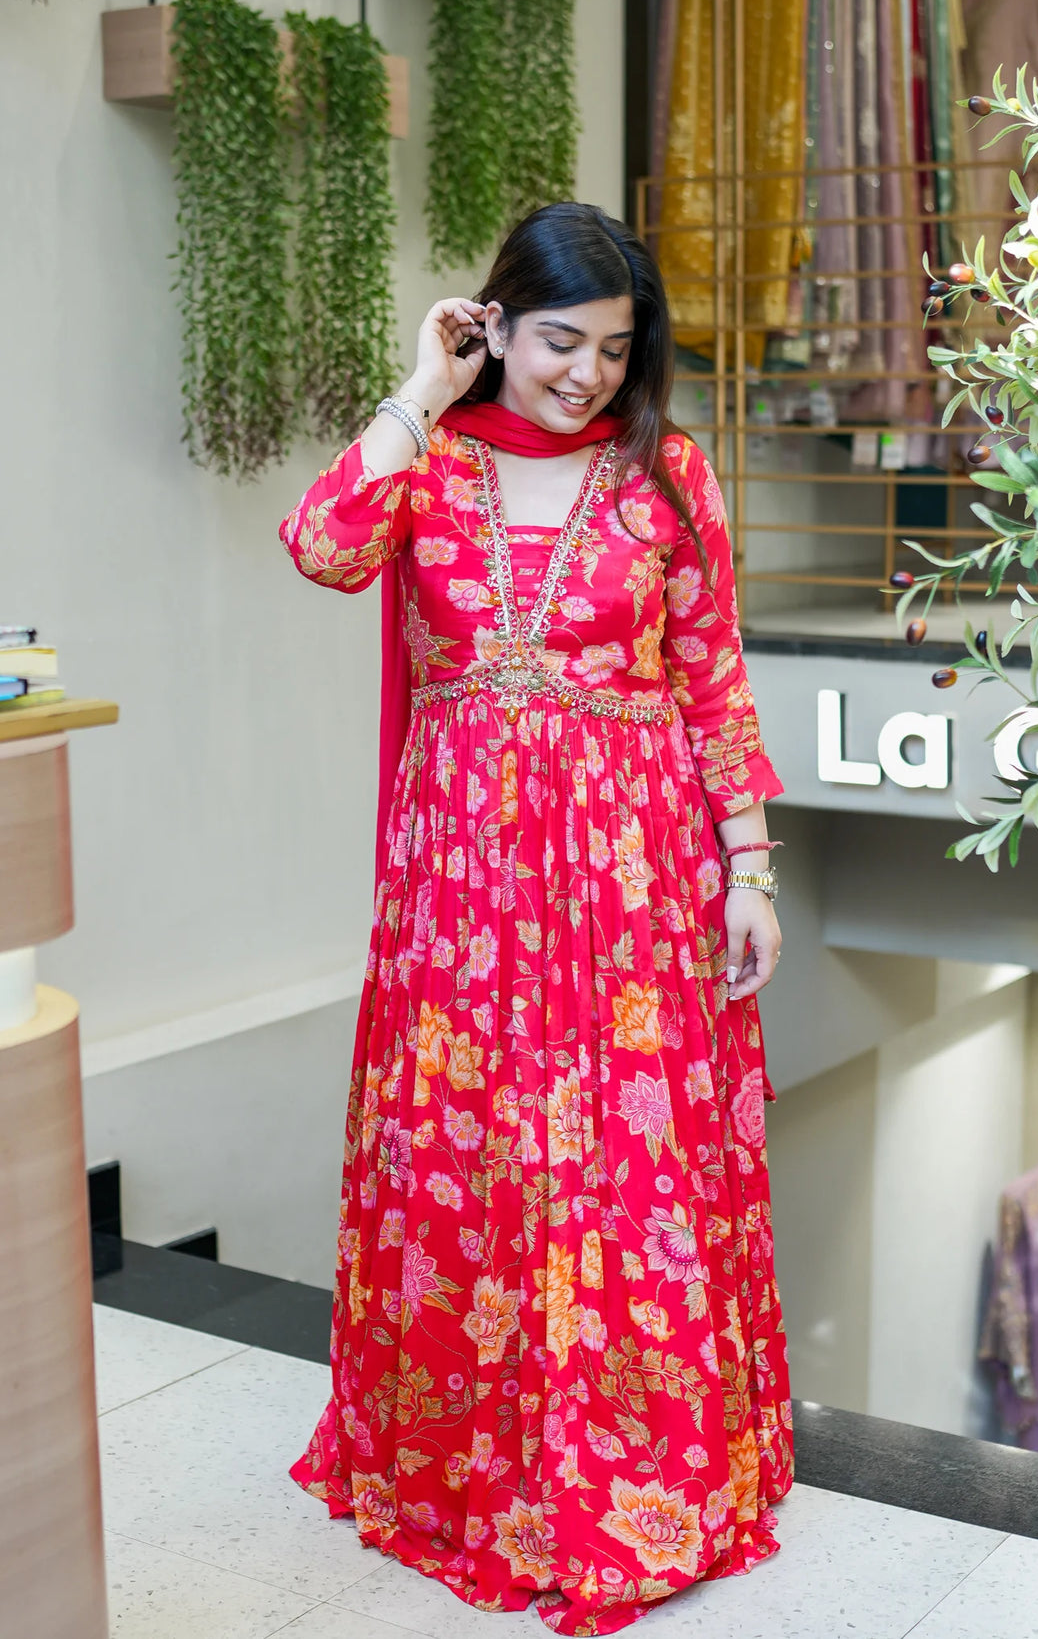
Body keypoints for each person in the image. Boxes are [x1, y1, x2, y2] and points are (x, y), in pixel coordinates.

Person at [279, 202, 793, 1636]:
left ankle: (635, 1480)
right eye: (562, 341)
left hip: (631, 886)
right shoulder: (430, 464)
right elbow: (321, 548)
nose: (587, 376)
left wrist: (750, 870)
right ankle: (473, 1477)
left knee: (627, 1169)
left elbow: (714, 677)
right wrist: (419, 386)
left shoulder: (667, 474)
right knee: (471, 1159)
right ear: (494, 323)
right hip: (460, 893)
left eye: (615, 351)